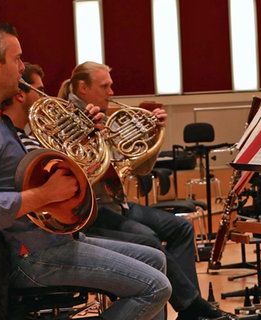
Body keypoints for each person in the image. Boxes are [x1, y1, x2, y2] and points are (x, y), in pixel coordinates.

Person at [0, 20, 171, 320]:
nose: (21, 66)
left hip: (52, 240)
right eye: (16, 59)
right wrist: (44, 194)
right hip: (30, 255)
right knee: (155, 287)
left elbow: (39, 170)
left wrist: (87, 137)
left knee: (155, 259)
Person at [58, 61, 236, 320]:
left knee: (182, 228)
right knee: (149, 239)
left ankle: (191, 312)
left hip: (118, 206)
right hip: (93, 211)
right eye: (105, 86)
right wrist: (89, 139)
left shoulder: (104, 118)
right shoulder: (66, 119)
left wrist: (152, 136)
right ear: (82, 88)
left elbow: (138, 167)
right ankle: (192, 306)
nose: (111, 91)